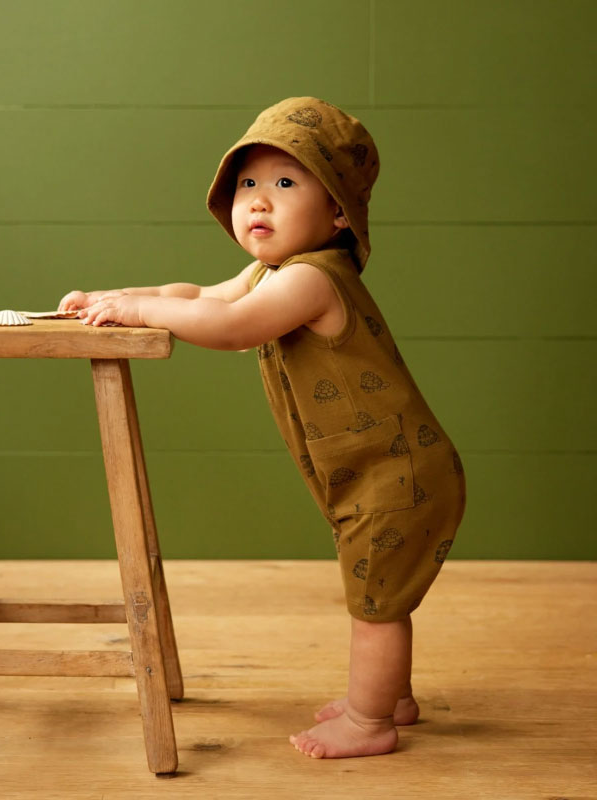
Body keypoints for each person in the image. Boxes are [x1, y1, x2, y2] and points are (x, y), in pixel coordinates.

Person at [59, 97, 466, 759]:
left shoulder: (312, 280)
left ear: (337, 211)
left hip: (399, 473)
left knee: (375, 602)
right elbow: (201, 298)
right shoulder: (269, 272)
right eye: (248, 184)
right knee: (379, 587)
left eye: (284, 183)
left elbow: (230, 327)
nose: (258, 201)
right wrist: (117, 297)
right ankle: (389, 695)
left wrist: (136, 309)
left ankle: (370, 723)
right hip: (376, 470)